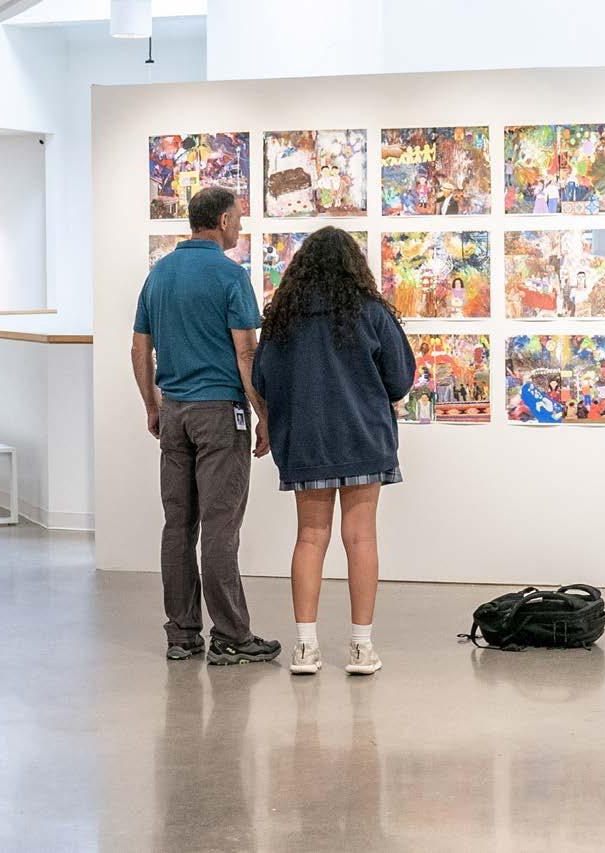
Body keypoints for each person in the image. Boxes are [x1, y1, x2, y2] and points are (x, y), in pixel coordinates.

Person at [252, 227, 416, 677]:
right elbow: (400, 379)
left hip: (306, 442)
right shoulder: (371, 312)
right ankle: (361, 648)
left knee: (310, 537)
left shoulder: (283, 319)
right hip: (363, 438)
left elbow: (263, 380)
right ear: (353, 266)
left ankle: (305, 648)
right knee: (360, 538)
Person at [131, 186, 281, 666]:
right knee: (220, 526)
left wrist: (152, 405)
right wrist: (264, 414)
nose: (240, 226)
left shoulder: (159, 275)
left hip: (174, 412)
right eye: (238, 218)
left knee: (178, 525)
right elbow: (246, 353)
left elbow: (139, 348)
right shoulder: (230, 276)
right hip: (220, 414)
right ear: (221, 221)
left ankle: (182, 634)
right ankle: (232, 635)